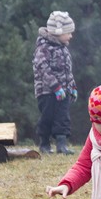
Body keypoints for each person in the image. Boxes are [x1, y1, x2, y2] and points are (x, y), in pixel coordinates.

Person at [33, 11, 79, 155]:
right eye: (68, 33)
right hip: (47, 92)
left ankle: (61, 145)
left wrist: (72, 87)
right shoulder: (43, 48)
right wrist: (55, 86)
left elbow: (67, 71)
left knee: (63, 117)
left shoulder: (63, 48)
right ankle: (44, 144)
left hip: (64, 92)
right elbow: (42, 68)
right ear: (58, 32)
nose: (71, 36)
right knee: (47, 117)